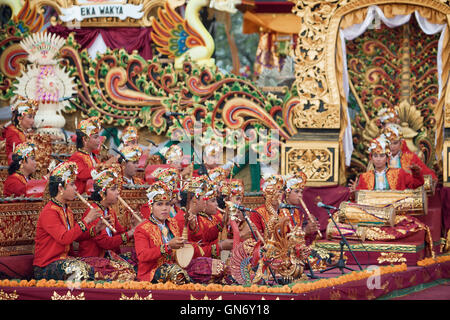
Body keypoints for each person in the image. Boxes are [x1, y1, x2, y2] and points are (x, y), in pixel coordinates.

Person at [134, 181, 230, 283]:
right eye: (159, 204)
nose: (164, 208)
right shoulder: (142, 229)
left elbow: (193, 243)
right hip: (153, 272)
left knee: (218, 267)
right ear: (151, 207)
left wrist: (193, 228)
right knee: (177, 273)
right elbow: (142, 255)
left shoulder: (173, 223)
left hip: (179, 265)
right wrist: (168, 246)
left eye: (167, 204)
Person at [33, 161, 107, 281]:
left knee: (102, 265)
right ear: (60, 188)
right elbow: (64, 238)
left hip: (65, 260)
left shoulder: (67, 210)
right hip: (46, 265)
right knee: (80, 270)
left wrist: (96, 229)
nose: (76, 188)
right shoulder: (49, 212)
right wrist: (87, 220)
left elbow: (75, 236)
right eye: (72, 184)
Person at [77, 164, 138, 280]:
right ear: (102, 193)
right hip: (93, 259)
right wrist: (131, 232)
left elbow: (120, 234)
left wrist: (133, 227)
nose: (118, 192)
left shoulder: (109, 210)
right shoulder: (94, 212)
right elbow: (106, 243)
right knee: (127, 273)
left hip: (107, 257)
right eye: (113, 189)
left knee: (138, 260)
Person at [355, 135, 424, 191]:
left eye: (382, 156)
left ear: (387, 158)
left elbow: (416, 183)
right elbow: (359, 199)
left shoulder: (399, 173)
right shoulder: (364, 177)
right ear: (371, 158)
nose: (378, 159)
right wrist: (354, 193)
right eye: (375, 156)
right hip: (373, 207)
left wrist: (416, 173)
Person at [68, 116, 116, 193]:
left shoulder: (92, 156)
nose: (99, 140)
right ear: (85, 139)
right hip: (83, 197)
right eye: (95, 137)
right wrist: (105, 165)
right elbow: (83, 175)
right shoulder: (77, 157)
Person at [281, 171, 320, 242]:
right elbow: (284, 237)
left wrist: (310, 227)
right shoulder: (280, 210)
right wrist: (305, 230)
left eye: (301, 192)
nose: (300, 195)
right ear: (287, 193)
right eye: (296, 191)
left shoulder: (297, 211)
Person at [4, 95, 38, 163]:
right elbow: (21, 150)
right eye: (29, 117)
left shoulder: (25, 132)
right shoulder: (11, 131)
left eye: (33, 118)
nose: (33, 121)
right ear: (19, 118)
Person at [250, 175, 285, 239]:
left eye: (280, 192)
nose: (277, 195)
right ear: (265, 194)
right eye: (273, 191)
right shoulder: (257, 213)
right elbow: (256, 238)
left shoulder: (286, 212)